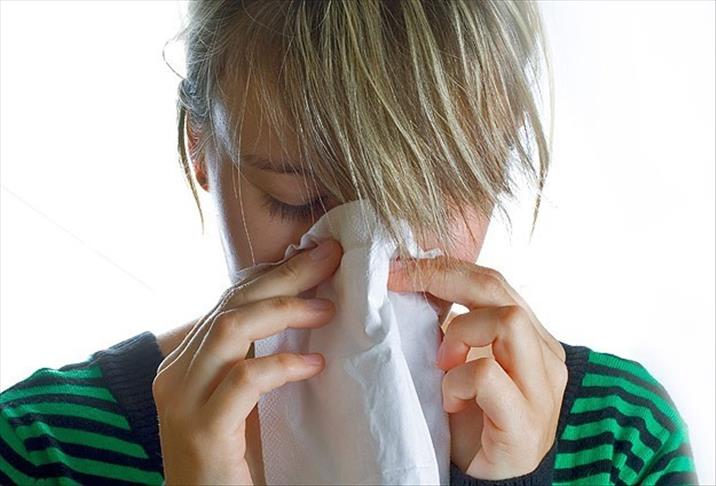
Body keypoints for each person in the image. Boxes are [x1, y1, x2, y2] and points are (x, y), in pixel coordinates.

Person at [0, 1, 698, 485]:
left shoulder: (618, 442)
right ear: (200, 148)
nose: (365, 266)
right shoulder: (39, 449)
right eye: (297, 201)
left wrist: (514, 481)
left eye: (430, 202)